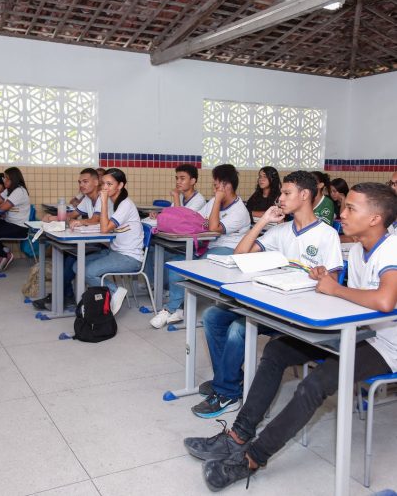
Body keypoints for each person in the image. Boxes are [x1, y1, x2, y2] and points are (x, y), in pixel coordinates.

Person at [184, 182, 397, 492]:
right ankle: (237, 436)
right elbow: (363, 295)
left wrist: (335, 288)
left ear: (376, 218)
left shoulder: (390, 249)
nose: (342, 211)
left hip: (386, 346)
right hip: (358, 331)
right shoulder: (363, 249)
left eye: (351, 208)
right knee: (276, 350)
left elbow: (385, 301)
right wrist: (325, 278)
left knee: (314, 384)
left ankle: (252, 459)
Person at [191, 171, 343, 418]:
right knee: (211, 316)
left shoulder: (327, 235)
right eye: (281, 193)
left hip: (298, 310)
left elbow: (334, 281)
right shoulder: (281, 230)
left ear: (304, 195)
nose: (280, 198)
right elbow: (240, 254)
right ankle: (229, 379)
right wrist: (263, 222)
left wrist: (321, 275)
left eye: (286, 193)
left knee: (238, 329)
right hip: (270, 301)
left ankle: (227, 392)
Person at [150, 164, 250, 329]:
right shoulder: (213, 201)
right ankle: (179, 308)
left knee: (191, 267)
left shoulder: (239, 211)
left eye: (216, 185)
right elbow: (195, 218)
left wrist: (216, 201)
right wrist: (213, 206)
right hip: (209, 246)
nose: (214, 189)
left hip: (229, 251)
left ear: (227, 186)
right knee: (177, 264)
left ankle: (171, 309)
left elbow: (212, 228)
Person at [34, 168, 112, 309]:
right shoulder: (87, 199)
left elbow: (96, 219)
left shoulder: (103, 198)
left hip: (106, 245)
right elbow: (72, 215)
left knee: (71, 258)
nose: (81, 185)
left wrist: (81, 222)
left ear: (96, 182)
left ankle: (61, 296)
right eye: (80, 182)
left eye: (85, 181)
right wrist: (52, 218)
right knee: (64, 255)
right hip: (92, 240)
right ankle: (66, 295)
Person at [77, 168, 143, 315]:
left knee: (88, 272)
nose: (105, 188)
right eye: (103, 184)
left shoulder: (125, 204)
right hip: (115, 251)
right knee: (77, 266)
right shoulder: (114, 202)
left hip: (130, 257)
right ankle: (105, 297)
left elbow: (105, 229)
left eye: (109, 184)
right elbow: (102, 227)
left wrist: (104, 201)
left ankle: (114, 292)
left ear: (120, 185)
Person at [145, 164, 206, 285]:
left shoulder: (199, 200)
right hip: (176, 240)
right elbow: (171, 216)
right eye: (177, 178)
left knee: (160, 254)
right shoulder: (182, 197)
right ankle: (154, 285)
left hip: (190, 243)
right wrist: (158, 216)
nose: (178, 182)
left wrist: (176, 197)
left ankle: (163, 286)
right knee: (149, 250)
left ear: (193, 181)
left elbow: (179, 219)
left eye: (182, 178)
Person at [0, 167, 31, 272]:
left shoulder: (19, 191)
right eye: (4, 178)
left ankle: (2, 257)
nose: (4, 181)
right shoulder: (9, 190)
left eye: (7, 178)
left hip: (19, 227)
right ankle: (4, 252)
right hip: (9, 223)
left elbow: (2, 207)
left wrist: (1, 205)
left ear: (14, 179)